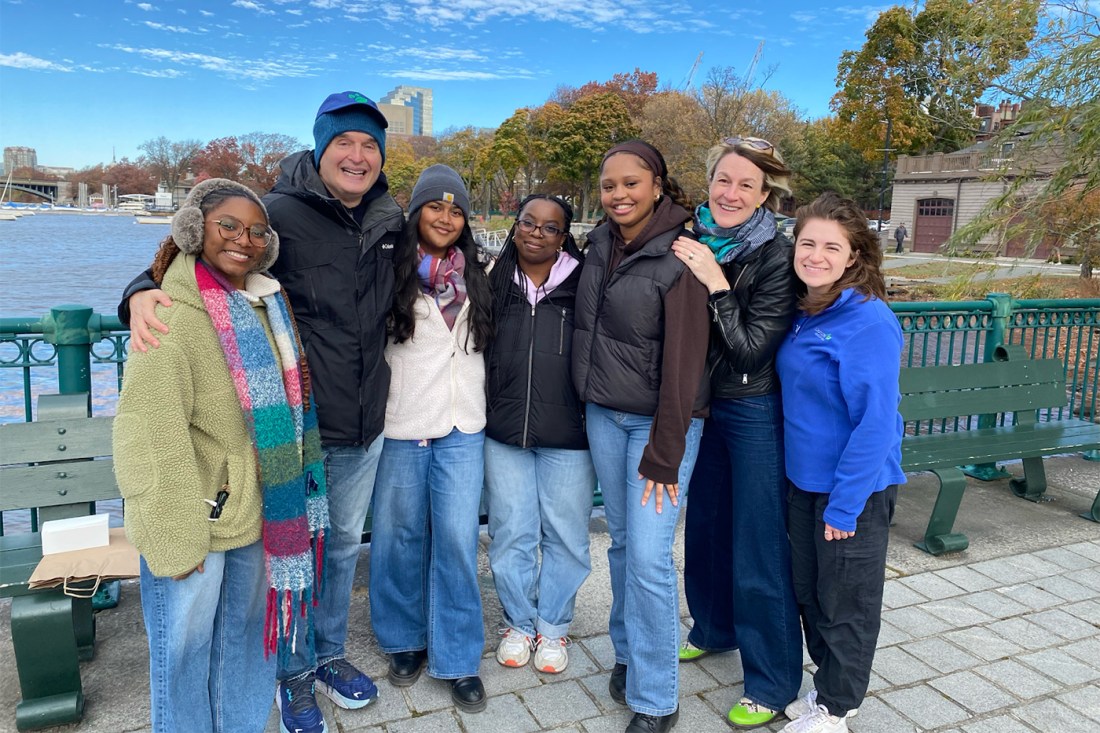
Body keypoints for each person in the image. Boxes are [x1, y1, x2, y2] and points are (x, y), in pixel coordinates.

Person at [120, 91, 403, 733]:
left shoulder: (391, 217)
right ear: (320, 147)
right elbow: (189, 266)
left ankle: (324, 655)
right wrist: (138, 293)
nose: (358, 157)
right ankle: (292, 675)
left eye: (369, 146)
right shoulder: (275, 213)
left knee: (330, 555)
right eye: (344, 144)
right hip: (284, 434)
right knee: (285, 560)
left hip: (357, 425)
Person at [113, 179, 328, 733]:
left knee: (247, 650)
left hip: (259, 514)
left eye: (257, 231)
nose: (244, 239)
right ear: (193, 232)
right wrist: (171, 537)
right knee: (183, 661)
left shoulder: (266, 305)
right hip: (196, 527)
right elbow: (147, 434)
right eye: (227, 226)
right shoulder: (172, 315)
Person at [573, 140, 710, 733]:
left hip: (661, 427)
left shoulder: (683, 253)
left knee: (652, 557)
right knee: (625, 545)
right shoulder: (598, 242)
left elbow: (687, 365)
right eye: (609, 186)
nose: (619, 194)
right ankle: (628, 655)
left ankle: (656, 698)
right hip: (604, 415)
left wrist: (664, 453)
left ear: (657, 185)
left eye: (632, 183)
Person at [670, 136, 803, 729]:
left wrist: (715, 282)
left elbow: (751, 349)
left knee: (757, 541)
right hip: (701, 404)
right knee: (704, 526)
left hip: (750, 406)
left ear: (764, 195)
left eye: (746, 185)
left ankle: (772, 682)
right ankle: (714, 625)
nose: (731, 193)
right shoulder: (690, 235)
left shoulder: (776, 254)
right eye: (724, 180)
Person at [776, 193, 906, 733]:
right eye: (808, 243)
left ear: (854, 256)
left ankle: (837, 709)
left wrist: (845, 507)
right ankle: (826, 690)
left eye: (832, 246)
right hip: (803, 483)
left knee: (847, 604)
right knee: (811, 595)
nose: (816, 255)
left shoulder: (867, 320)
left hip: (853, 491)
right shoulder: (808, 310)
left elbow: (876, 423)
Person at [368, 165, 494, 713]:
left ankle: (459, 657)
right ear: (416, 210)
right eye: (435, 207)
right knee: (397, 538)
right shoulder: (387, 268)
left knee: (458, 542)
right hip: (403, 423)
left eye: (456, 209)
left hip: (464, 424)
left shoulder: (483, 271)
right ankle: (403, 639)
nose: (445, 218)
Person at [485, 194, 596, 674]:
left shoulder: (584, 282)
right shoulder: (491, 281)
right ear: (515, 226)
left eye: (549, 228)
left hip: (569, 435)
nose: (535, 232)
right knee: (511, 532)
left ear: (563, 236)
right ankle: (518, 622)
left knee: (567, 536)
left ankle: (553, 625)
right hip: (504, 431)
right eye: (527, 222)